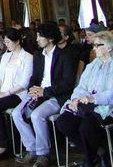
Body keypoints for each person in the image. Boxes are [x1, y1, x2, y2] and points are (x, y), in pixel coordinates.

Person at [12, 23, 78, 167]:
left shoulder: (64, 55)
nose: (37, 39)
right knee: (16, 114)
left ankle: (43, 154)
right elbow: (35, 78)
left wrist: (45, 91)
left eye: (39, 36)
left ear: (49, 38)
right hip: (39, 94)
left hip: (55, 96)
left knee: (36, 115)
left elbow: (68, 83)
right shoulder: (39, 55)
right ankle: (32, 150)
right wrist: (32, 90)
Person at [56, 31, 113, 167]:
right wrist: (76, 99)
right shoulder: (92, 65)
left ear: (109, 48)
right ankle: (99, 152)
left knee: (86, 127)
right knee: (63, 122)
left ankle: (90, 159)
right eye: (93, 45)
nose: (93, 48)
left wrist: (92, 98)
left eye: (97, 45)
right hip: (87, 104)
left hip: (106, 106)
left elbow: (111, 93)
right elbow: (81, 87)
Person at [0, 28, 33, 159]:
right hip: (2, 91)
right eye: (6, 42)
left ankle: (3, 143)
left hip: (18, 94)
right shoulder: (6, 56)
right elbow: (0, 76)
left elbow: (24, 83)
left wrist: (5, 93)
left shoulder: (28, 57)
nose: (6, 45)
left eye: (8, 42)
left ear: (18, 41)